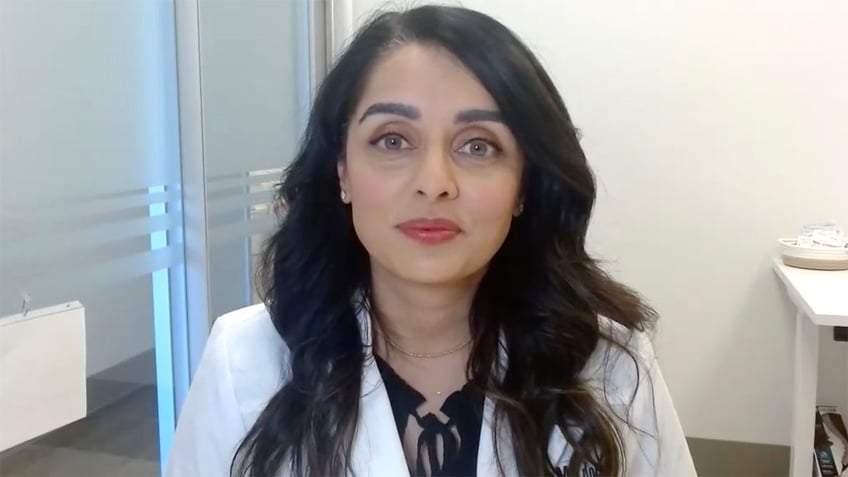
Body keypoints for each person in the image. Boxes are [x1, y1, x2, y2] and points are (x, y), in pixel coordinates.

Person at [167, 5, 697, 477]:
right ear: (342, 172)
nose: (434, 181)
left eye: (478, 146)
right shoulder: (244, 360)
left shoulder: (613, 368)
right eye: (392, 140)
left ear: (523, 186)